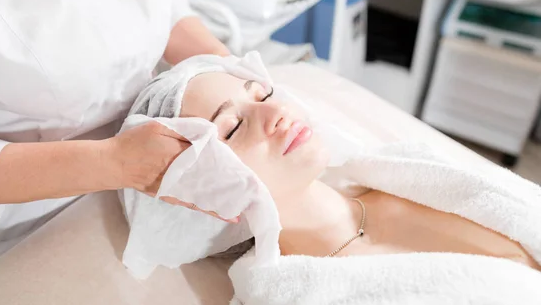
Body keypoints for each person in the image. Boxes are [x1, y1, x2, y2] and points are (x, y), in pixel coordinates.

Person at [0, 0, 229, 294]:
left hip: (150, 173)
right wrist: (116, 163)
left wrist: (239, 75)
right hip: (24, 225)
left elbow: (160, 2)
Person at [137, 60, 541, 272]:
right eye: (235, 126)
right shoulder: (309, 302)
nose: (277, 110)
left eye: (263, 93)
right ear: (202, 197)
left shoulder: (410, 170)